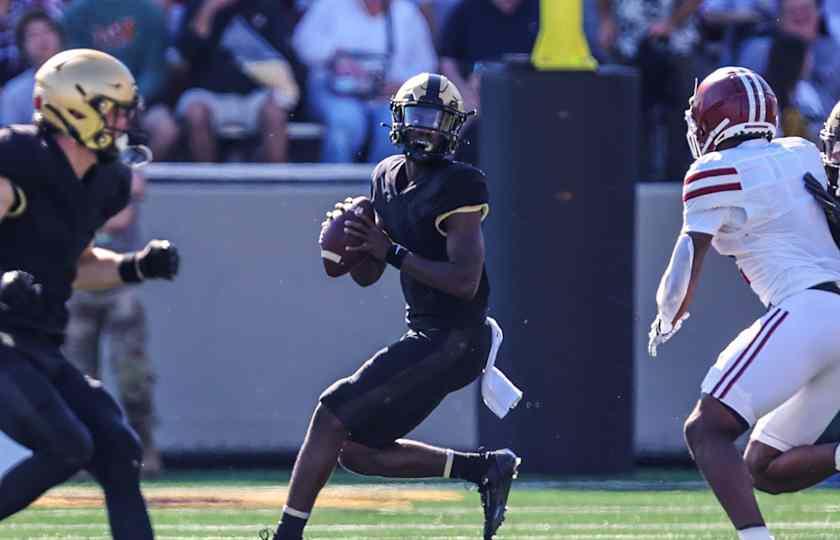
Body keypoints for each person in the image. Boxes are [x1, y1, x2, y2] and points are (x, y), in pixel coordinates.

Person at [261, 73, 520, 540]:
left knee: (330, 412)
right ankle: (484, 469)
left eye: (436, 121)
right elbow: (367, 275)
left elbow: (465, 282)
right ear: (398, 121)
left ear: (454, 128)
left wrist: (391, 251)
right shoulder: (384, 176)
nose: (425, 130)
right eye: (418, 118)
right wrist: (355, 244)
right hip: (427, 334)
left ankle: (286, 534)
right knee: (358, 451)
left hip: (458, 337)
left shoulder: (460, 186)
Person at [648, 66, 840, 540]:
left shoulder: (711, 172)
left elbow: (688, 258)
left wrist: (667, 316)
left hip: (808, 310)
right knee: (763, 466)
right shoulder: (800, 152)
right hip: (829, 309)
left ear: (711, 121)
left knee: (705, 430)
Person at [0, 49, 180, 538]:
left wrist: (134, 266)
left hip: (36, 344)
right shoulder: (16, 160)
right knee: (67, 445)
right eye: (113, 109)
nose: (123, 122)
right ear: (74, 107)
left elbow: (76, 265)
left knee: (118, 449)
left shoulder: (105, 181)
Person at [63, 169, 163, 477]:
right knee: (77, 377)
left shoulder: (120, 161)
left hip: (119, 284)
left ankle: (143, 447)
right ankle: (83, 453)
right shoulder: (65, 161)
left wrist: (80, 211)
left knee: (133, 377)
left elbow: (123, 215)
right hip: (78, 284)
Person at [0, 8, 62, 125]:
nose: (42, 39)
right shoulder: (14, 92)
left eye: (47, 31)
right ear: (22, 46)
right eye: (33, 35)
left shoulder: (82, 77)